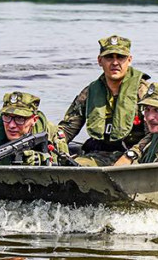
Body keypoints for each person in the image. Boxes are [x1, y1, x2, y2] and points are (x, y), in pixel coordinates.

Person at [59, 35, 151, 166]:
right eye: (109, 57)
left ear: (129, 60)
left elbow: (154, 134)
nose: (115, 63)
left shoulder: (144, 92)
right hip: (100, 154)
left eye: (120, 57)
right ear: (100, 61)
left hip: (135, 154)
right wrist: (55, 145)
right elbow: (68, 128)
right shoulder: (89, 92)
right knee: (74, 167)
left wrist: (131, 155)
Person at [0, 91, 70, 166]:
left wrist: (42, 160)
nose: (12, 125)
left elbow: (66, 168)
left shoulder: (52, 132)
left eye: (20, 118)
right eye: (7, 117)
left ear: (34, 119)